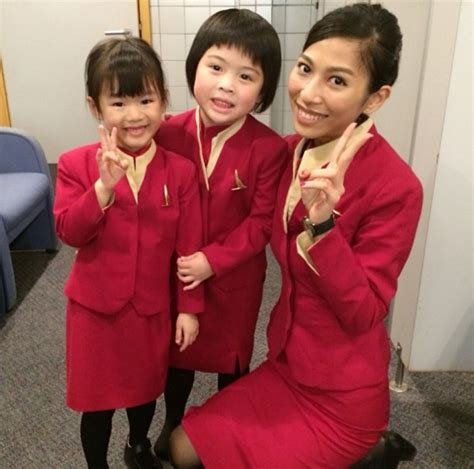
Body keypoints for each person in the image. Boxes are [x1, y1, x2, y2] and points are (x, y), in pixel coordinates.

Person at [167, 3, 423, 468]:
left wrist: (324, 227)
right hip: (285, 362)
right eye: (306, 69)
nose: (308, 93)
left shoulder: (395, 186)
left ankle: (372, 446)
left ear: (375, 98)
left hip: (342, 389)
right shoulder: (283, 155)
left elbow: (364, 311)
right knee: (181, 450)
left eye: (338, 80)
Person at [53, 36, 204, 469]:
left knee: (143, 394)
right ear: (95, 106)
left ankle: (138, 446)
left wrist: (189, 308)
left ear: (163, 101)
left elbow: (189, 247)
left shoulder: (180, 172)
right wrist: (103, 187)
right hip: (95, 312)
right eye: (118, 102)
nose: (135, 115)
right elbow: (69, 232)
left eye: (145, 99)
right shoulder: (75, 163)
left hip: (151, 310)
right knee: (96, 405)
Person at [153, 8, 288, 459]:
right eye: (215, 67)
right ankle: (172, 419)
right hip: (177, 274)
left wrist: (213, 258)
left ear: (264, 91)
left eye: (246, 76)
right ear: (194, 68)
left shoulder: (268, 149)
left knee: (233, 361)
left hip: (234, 282)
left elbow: (261, 221)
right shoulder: (166, 133)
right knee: (179, 356)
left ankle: (234, 428)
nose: (227, 84)